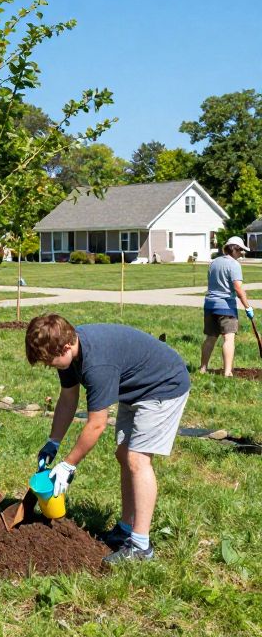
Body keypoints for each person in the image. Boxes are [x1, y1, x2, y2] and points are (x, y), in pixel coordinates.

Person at [26, 314, 191, 564]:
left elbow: (97, 424)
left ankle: (141, 546)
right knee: (124, 455)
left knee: (137, 459)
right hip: (135, 388)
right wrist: (54, 441)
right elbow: (68, 399)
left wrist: (68, 465)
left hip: (163, 385)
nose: (50, 365)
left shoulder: (96, 365)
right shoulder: (69, 355)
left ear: (67, 346)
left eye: (50, 360)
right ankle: (126, 529)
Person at [199, 236, 254, 377]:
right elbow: (238, 288)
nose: (242, 253)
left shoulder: (214, 262)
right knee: (228, 338)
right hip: (226, 307)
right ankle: (228, 372)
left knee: (210, 337)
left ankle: (203, 369)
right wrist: (247, 307)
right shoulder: (234, 265)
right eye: (241, 250)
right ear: (235, 249)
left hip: (210, 305)